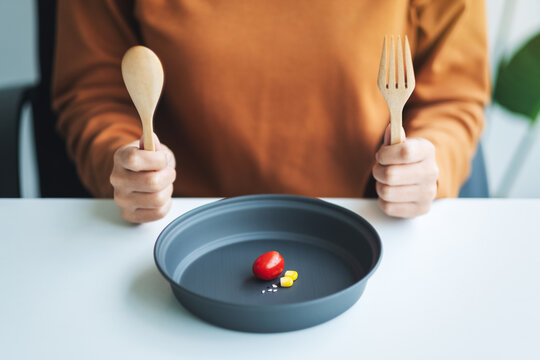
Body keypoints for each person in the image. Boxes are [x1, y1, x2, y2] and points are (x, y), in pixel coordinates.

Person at [52, 0, 490, 223]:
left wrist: (428, 162)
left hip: (374, 220)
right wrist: (124, 165)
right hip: (178, 226)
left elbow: (452, 96)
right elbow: (94, 92)